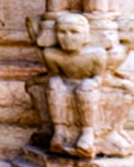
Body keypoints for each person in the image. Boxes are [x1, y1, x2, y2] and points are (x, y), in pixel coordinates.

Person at [43, 13, 107, 158]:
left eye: (74, 32)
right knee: (54, 87)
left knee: (86, 91)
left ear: (86, 36)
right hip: (65, 84)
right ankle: (59, 132)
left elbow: (99, 76)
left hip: (86, 87)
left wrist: (93, 82)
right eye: (62, 32)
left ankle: (87, 133)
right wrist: (55, 80)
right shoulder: (51, 54)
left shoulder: (97, 54)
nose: (67, 37)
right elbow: (54, 74)